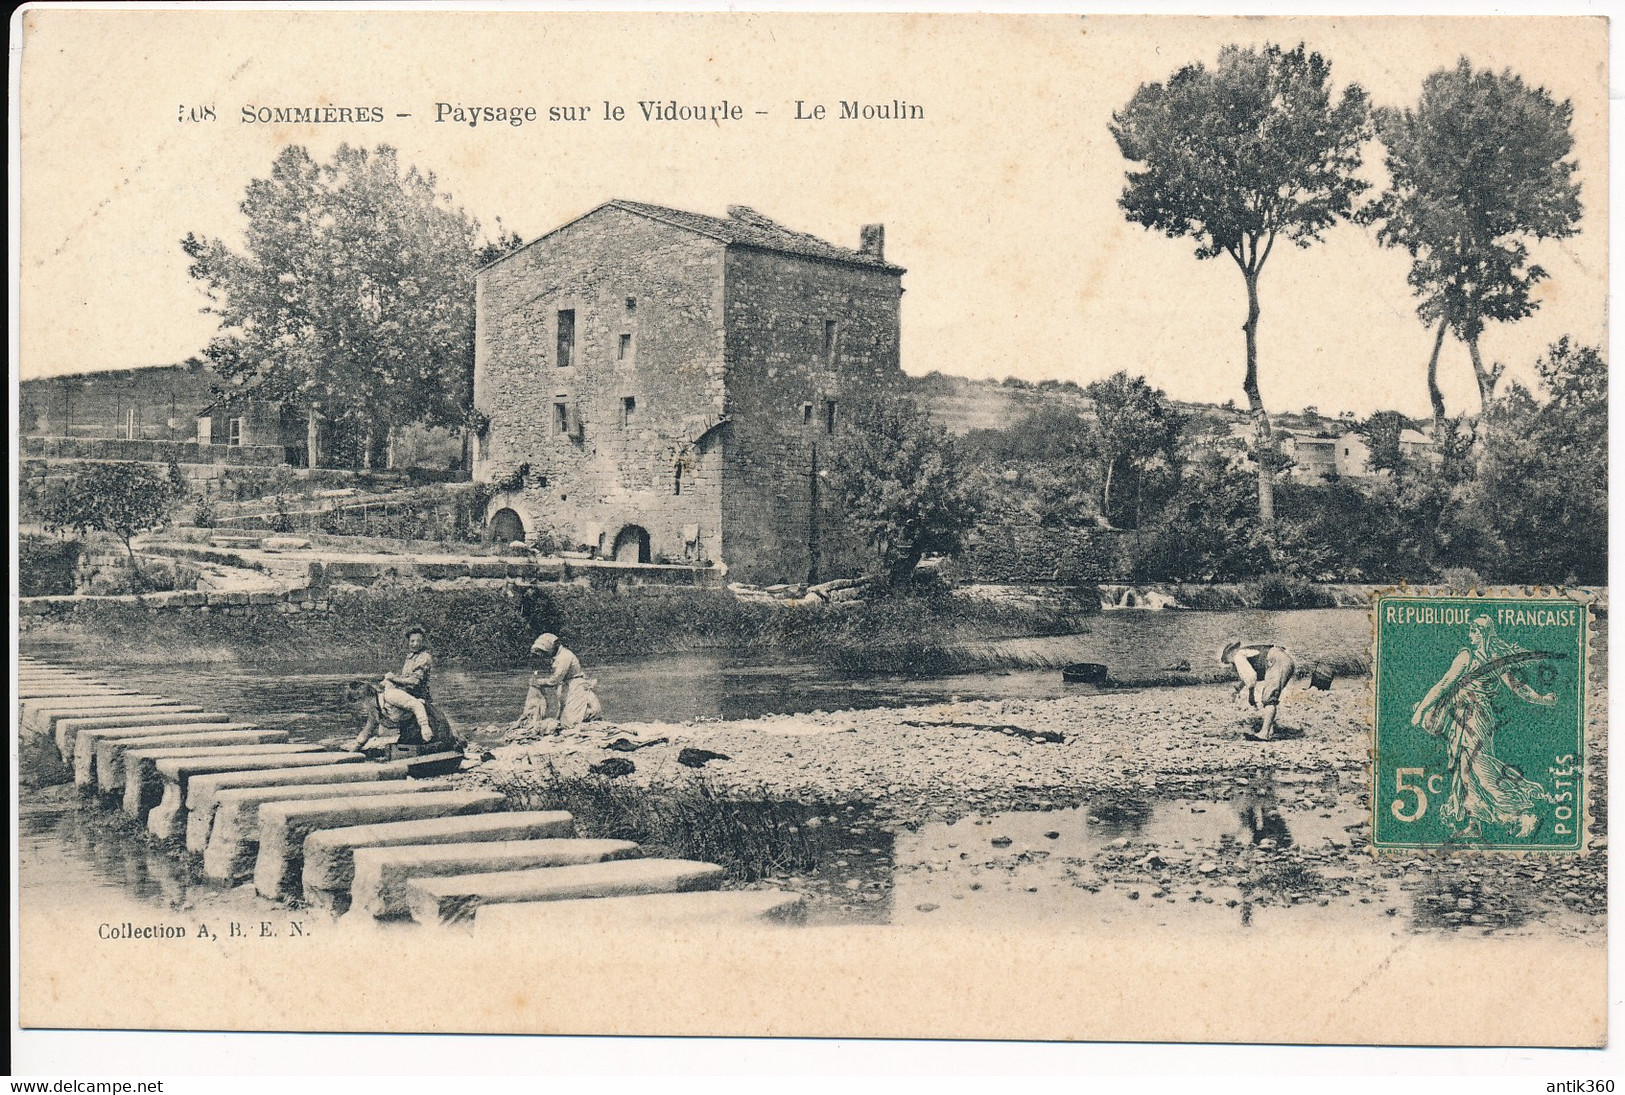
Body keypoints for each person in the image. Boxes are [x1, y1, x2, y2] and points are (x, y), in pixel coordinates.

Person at [1411, 614, 1553, 840]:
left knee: (1480, 767)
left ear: (1486, 633)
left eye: (1476, 631)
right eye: (1470, 630)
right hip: (1459, 716)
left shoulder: (1496, 659)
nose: (1471, 635)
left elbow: (1518, 687)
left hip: (1479, 717)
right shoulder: (1465, 657)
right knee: (1464, 771)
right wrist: (1422, 709)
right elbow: (1443, 684)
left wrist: (1542, 699)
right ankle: (1474, 823)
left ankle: (1523, 812)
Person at [1219, 639, 1327, 741]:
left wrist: (1251, 696)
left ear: (1230, 654)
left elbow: (1251, 677)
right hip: (1284, 660)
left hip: (1276, 660)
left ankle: (1264, 733)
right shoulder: (1247, 652)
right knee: (1270, 695)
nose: (1232, 666)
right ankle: (1269, 729)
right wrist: (1238, 688)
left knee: (1269, 698)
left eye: (1230, 663)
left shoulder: (1238, 656)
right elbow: (1251, 673)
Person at [512, 633, 601, 734]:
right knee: (565, 719)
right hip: (568, 686)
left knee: (570, 723)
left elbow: (555, 680)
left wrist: (538, 682)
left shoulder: (564, 657)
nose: (543, 655)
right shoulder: (558, 656)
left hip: (576, 687)